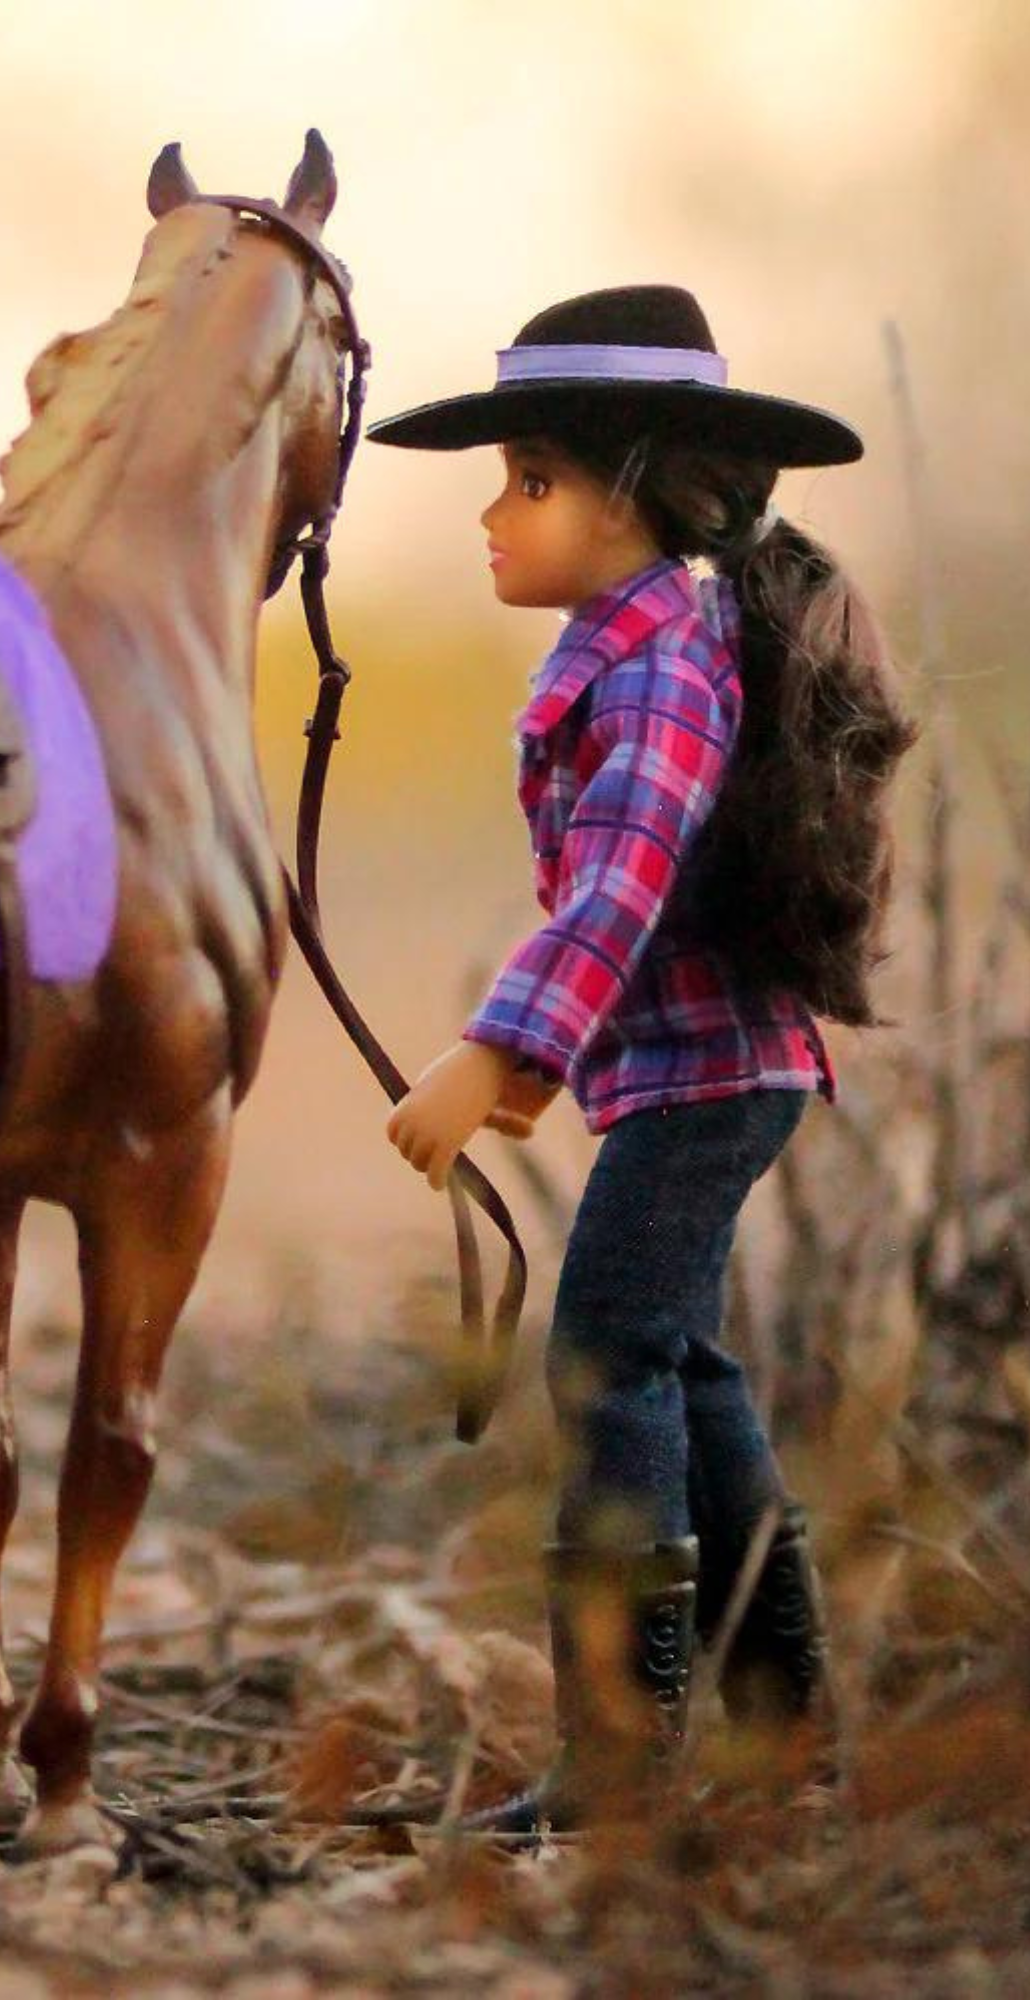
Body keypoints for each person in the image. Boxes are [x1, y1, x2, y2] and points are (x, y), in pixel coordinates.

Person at [366, 285, 916, 1833]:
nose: (494, 511)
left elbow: (626, 879)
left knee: (611, 1358)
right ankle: (784, 1725)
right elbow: (627, 907)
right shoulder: (643, 640)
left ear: (629, 497)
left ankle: (624, 1754)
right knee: (684, 1360)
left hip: (713, 1073)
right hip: (693, 1064)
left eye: (530, 480)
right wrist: (555, 1059)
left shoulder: (660, 656)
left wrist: (492, 1052)